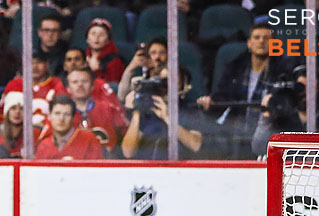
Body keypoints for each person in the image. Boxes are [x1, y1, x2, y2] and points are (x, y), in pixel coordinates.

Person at [195, 23, 284, 160]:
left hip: (269, 137)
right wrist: (209, 104)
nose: (261, 41)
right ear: (249, 43)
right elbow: (221, 98)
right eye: (257, 37)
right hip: (237, 136)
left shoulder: (282, 71)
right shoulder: (235, 68)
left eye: (266, 38)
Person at [122, 66, 204, 160]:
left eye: (173, 81)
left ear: (182, 85)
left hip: (177, 166)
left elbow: (195, 145)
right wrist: (137, 111)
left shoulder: (190, 111)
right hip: (149, 166)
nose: (168, 86)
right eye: (164, 81)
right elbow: (128, 152)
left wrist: (167, 118)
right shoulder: (148, 112)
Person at [66, 66, 127, 155]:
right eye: (75, 82)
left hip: (107, 161)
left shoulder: (108, 108)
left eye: (84, 81)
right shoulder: (61, 113)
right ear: (68, 88)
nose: (80, 85)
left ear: (92, 86)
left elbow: (125, 136)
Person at [0, 51, 65, 129]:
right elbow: (1, 115)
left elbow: (63, 112)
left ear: (47, 65)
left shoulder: (56, 84)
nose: (34, 67)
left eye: (38, 62)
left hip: (46, 131)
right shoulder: (14, 85)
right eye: (30, 63)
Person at [35, 95, 103, 160]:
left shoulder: (89, 139)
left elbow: (96, 168)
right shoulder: (44, 145)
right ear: (49, 116)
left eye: (66, 114)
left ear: (73, 118)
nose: (61, 119)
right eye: (57, 113)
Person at [0, 91, 39, 157]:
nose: (17, 112)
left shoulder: (34, 135)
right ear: (7, 111)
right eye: (13, 108)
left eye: (21, 109)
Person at [116, 37, 166, 104]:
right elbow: (122, 97)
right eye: (153, 53)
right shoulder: (138, 82)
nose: (157, 57)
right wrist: (130, 68)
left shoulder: (171, 76)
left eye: (162, 53)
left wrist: (157, 70)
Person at [84, 18, 123, 84]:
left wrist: (97, 70)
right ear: (87, 39)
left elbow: (113, 86)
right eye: (93, 34)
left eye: (101, 35)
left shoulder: (115, 61)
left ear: (108, 40)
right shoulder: (82, 56)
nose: (96, 38)